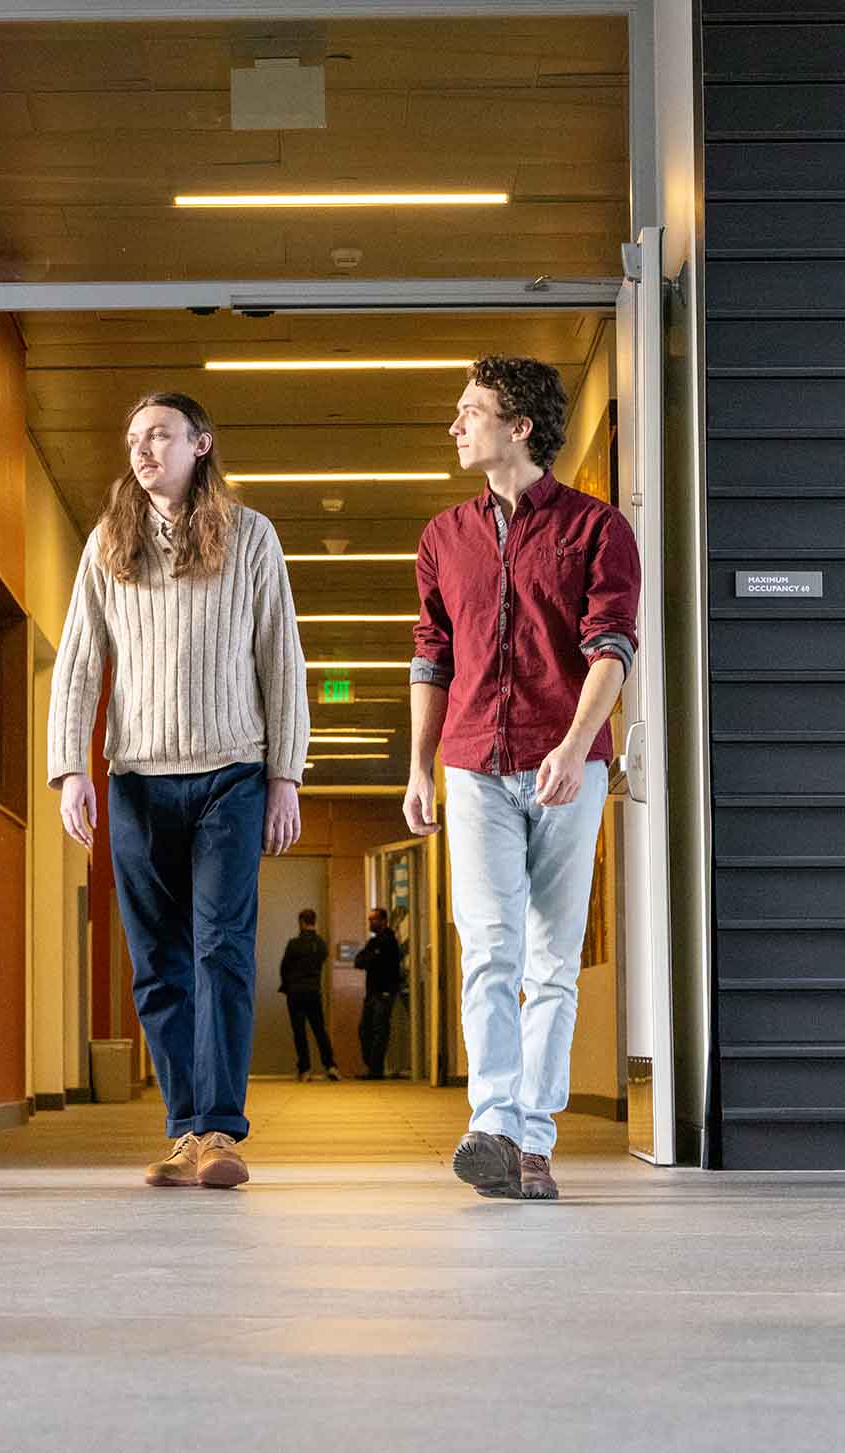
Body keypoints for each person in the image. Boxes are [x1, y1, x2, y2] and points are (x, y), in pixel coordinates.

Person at [48, 391, 309, 1190]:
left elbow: (281, 658)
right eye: (132, 437)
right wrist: (69, 770)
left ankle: (222, 1131)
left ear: (201, 442)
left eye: (159, 433)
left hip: (230, 772)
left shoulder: (251, 536)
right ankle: (185, 1128)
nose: (142, 448)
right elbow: (80, 661)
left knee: (220, 948)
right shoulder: (108, 543)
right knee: (157, 963)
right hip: (135, 780)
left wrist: (285, 776)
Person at [405, 355, 639, 1202]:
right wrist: (418, 768)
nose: (456, 425)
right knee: (490, 949)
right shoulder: (443, 538)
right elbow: (431, 657)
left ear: (520, 425)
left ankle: (533, 1140)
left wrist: (576, 746)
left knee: (550, 960)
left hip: (565, 765)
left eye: (471, 410)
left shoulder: (597, 529)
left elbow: (612, 646)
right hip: (472, 763)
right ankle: (492, 1126)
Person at [278, 909, 340, 1082]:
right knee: (319, 1029)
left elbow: (284, 967)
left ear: (301, 922)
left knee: (299, 1031)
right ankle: (330, 1066)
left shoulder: (294, 944)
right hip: (313, 991)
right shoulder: (321, 944)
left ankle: (305, 1069)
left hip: (295, 992)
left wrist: (287, 985)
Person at [353, 907, 402, 1079]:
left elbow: (374, 961)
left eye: (373, 919)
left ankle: (375, 1070)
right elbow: (359, 961)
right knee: (365, 1029)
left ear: (383, 921)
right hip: (372, 992)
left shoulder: (389, 941)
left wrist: (372, 958)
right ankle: (372, 1066)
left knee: (379, 1030)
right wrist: (372, 957)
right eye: (369, 920)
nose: (370, 923)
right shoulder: (374, 942)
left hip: (385, 993)